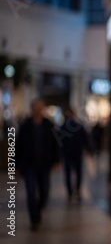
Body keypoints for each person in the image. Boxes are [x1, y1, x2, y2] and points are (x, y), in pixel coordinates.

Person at [17, 99, 60, 231]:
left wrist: (56, 160)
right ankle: (34, 219)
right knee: (30, 193)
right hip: (29, 165)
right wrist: (16, 166)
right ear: (32, 109)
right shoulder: (25, 126)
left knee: (44, 192)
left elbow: (56, 143)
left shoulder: (48, 125)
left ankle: (38, 209)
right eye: (36, 108)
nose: (38, 110)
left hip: (44, 165)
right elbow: (18, 146)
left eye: (40, 108)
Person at [59, 106, 93, 202]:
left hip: (68, 153)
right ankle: (77, 190)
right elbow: (85, 139)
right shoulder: (78, 126)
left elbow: (58, 142)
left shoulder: (63, 127)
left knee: (68, 173)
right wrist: (89, 149)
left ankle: (70, 192)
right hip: (76, 152)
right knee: (78, 172)